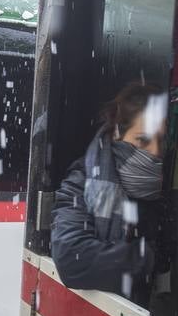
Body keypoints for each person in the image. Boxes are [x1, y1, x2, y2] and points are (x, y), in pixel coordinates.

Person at [52, 83, 171, 303]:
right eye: (143, 140)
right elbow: (72, 258)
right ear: (118, 133)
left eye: (161, 140)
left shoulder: (158, 189)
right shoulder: (83, 179)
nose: (155, 151)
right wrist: (146, 259)